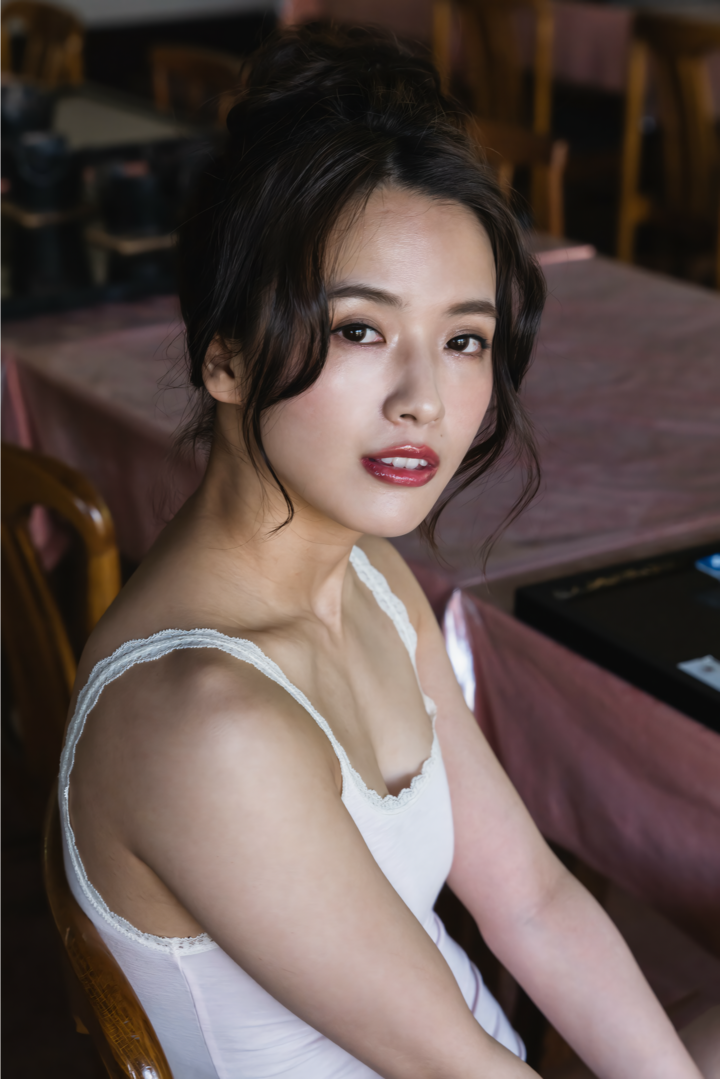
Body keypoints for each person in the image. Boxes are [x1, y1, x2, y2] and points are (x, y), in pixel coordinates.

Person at [60, 26, 716, 1079]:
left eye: (463, 340)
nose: (425, 400)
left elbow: (534, 901)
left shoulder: (368, 576)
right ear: (224, 356)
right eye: (361, 329)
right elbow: (455, 1066)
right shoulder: (206, 722)